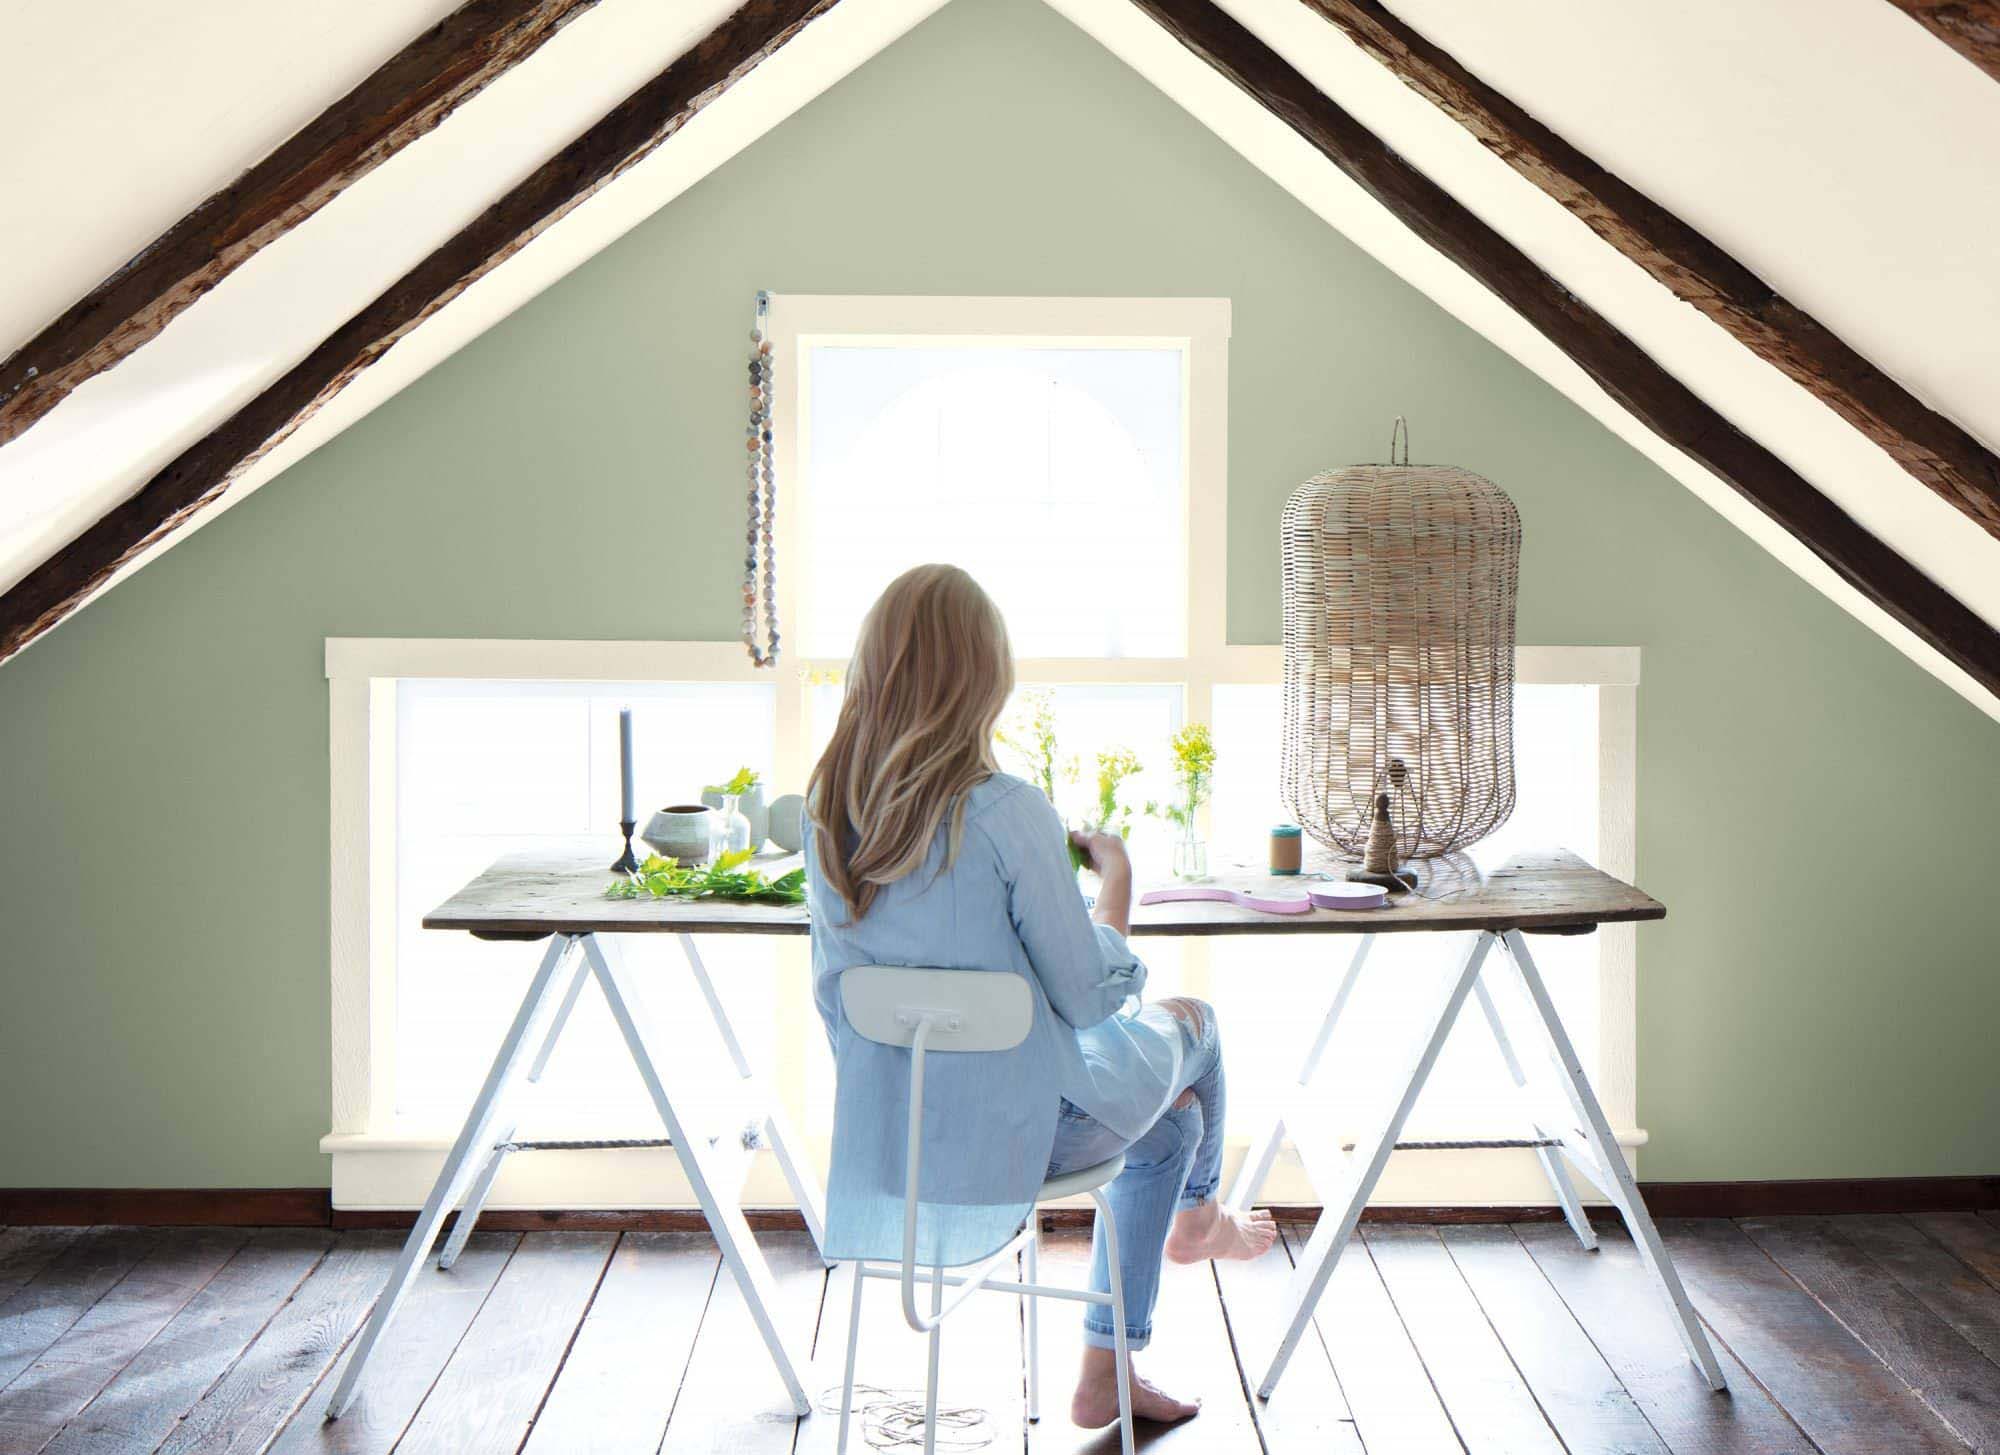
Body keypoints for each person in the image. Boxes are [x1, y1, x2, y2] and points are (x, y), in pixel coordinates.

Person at [803, 563, 1276, 1430]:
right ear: (983, 676)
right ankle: (1202, 1216)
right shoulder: (1007, 811)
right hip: (1020, 1140)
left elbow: (836, 1005)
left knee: (1170, 1128)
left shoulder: (827, 813)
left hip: (894, 1139)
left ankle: (1111, 1368)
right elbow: (1092, 997)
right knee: (1199, 1027)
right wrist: (1117, 875)